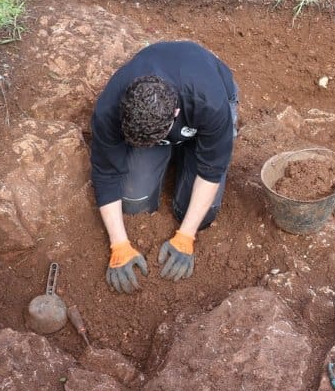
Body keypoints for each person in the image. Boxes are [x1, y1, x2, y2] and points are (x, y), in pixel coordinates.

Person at [90, 41, 239, 291]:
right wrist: (119, 245)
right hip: (161, 122)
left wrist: (185, 237)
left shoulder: (209, 101)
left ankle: (186, 153)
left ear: (176, 112)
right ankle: (167, 152)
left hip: (205, 107)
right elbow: (106, 174)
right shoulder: (110, 109)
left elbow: (211, 170)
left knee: (200, 214)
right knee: (133, 204)